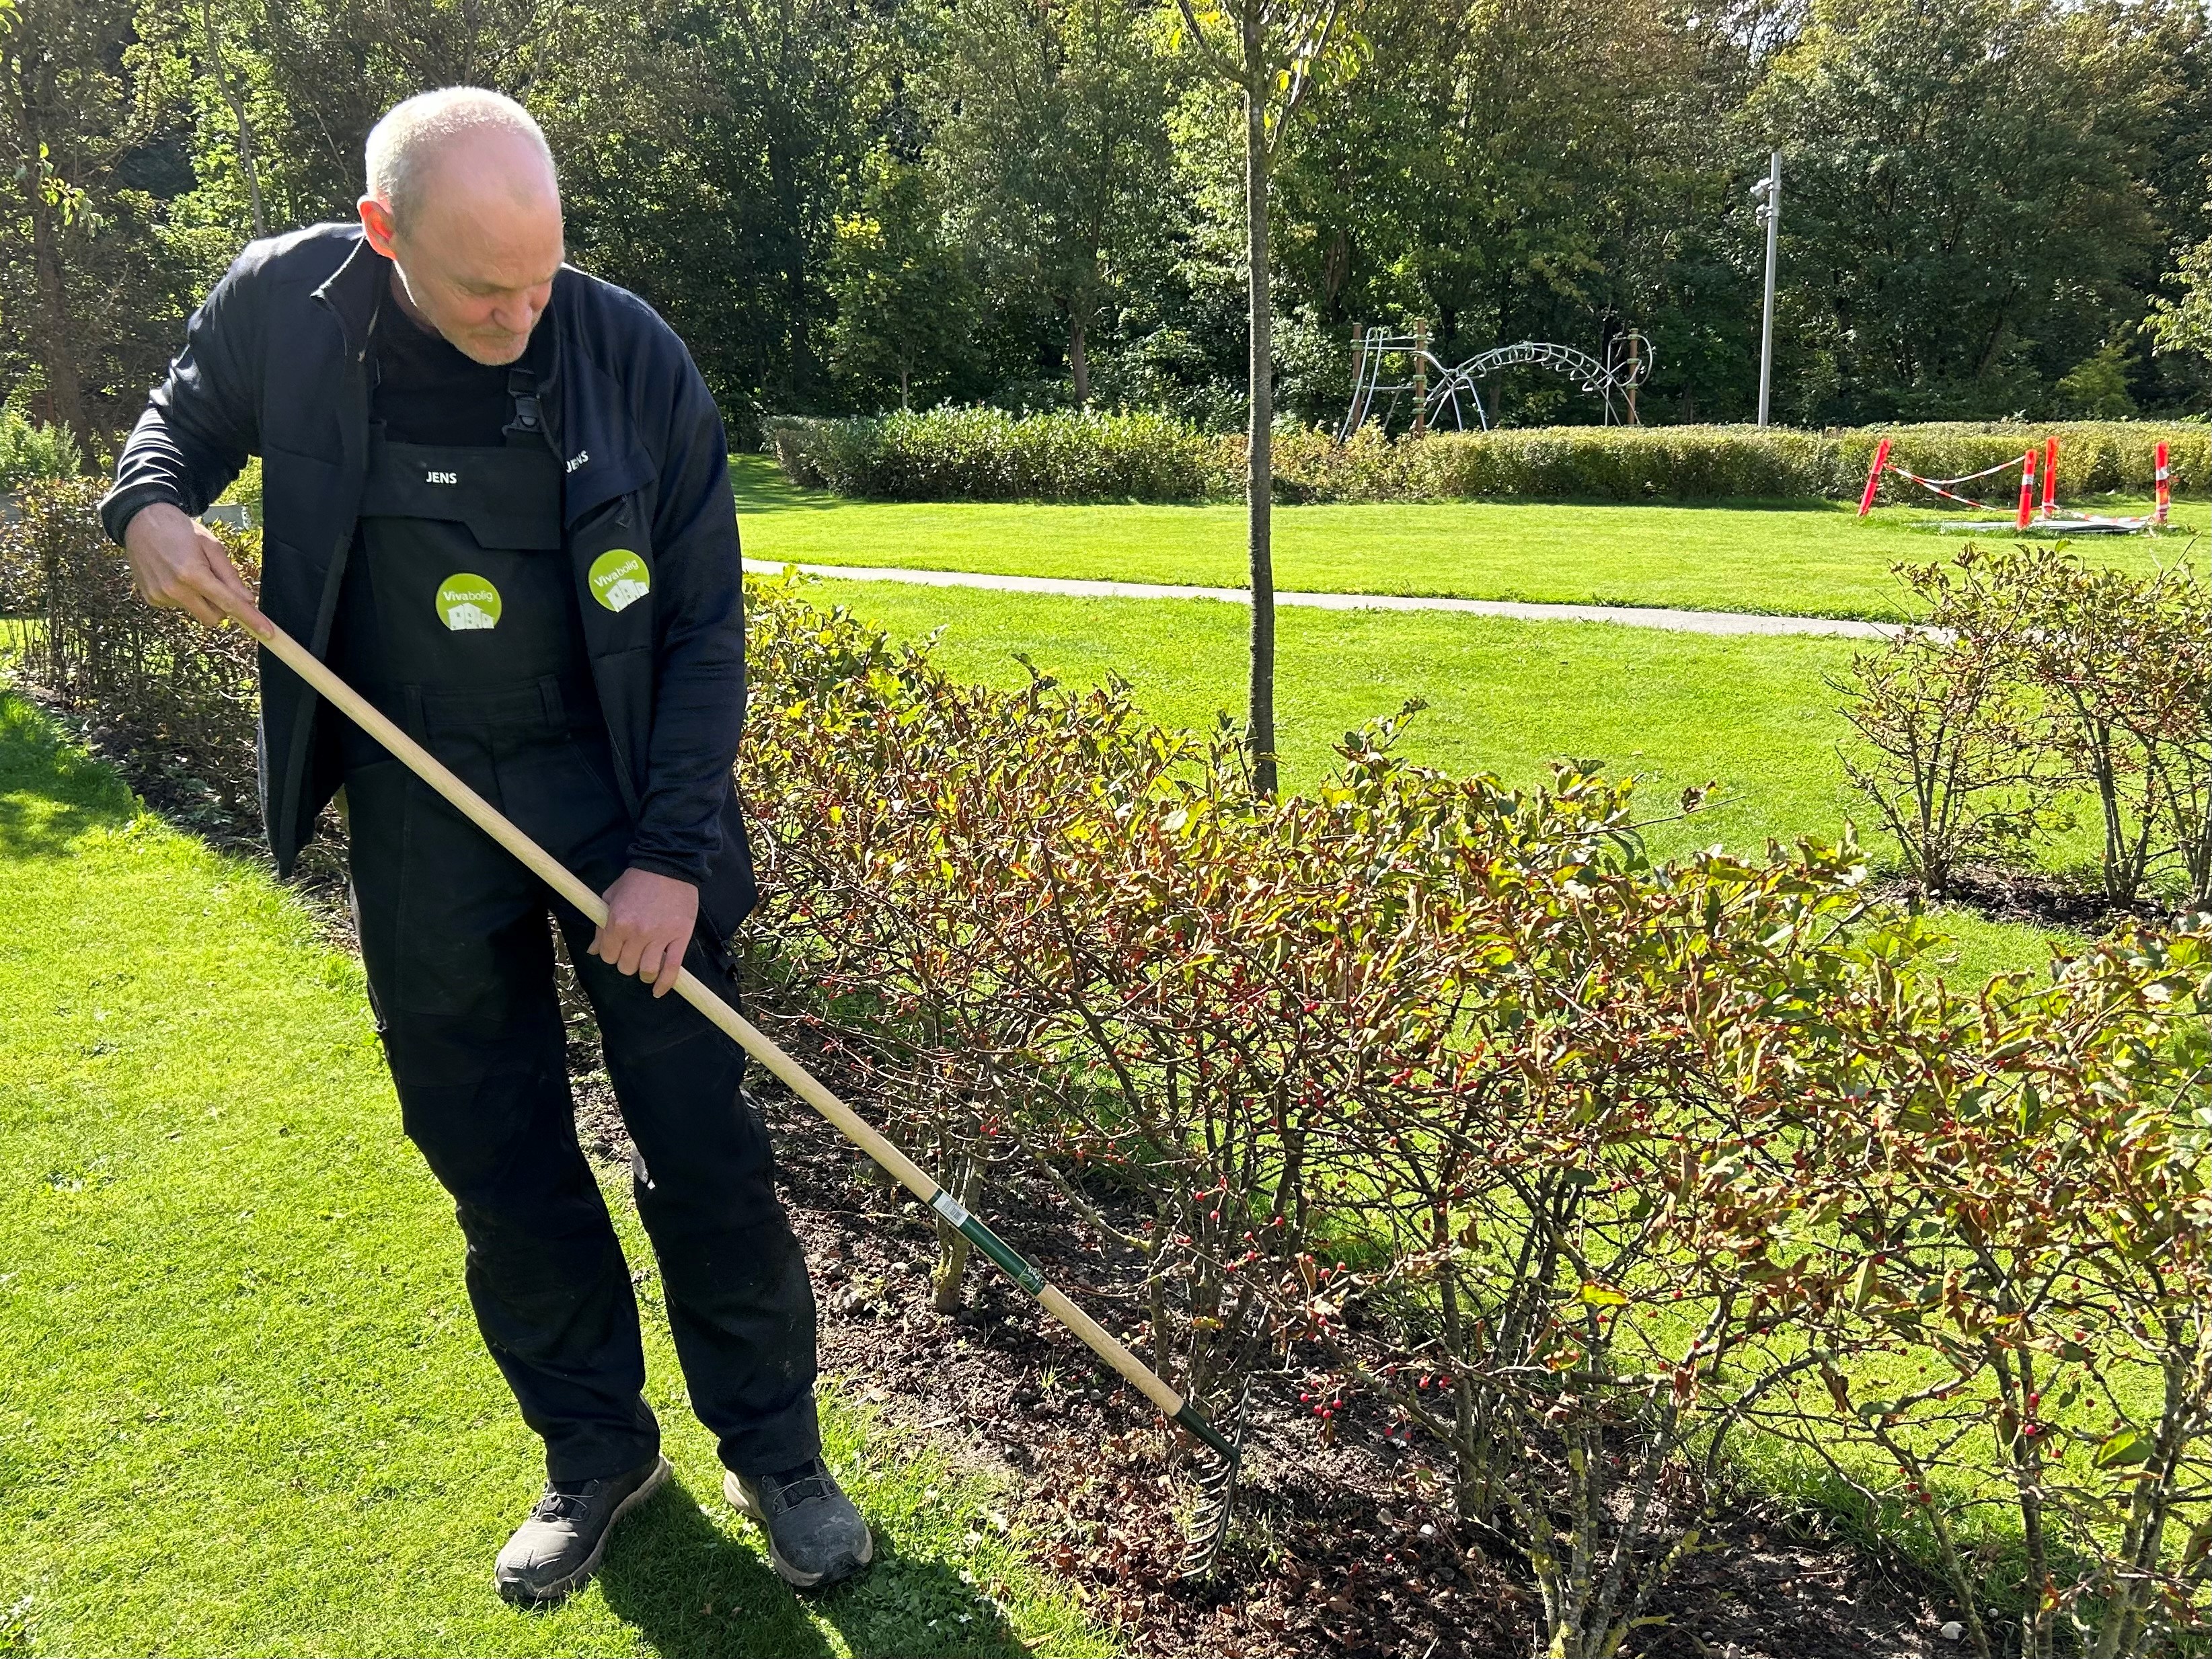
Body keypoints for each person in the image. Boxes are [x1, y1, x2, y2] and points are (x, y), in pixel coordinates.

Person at [100, 87, 872, 1603]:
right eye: (483, 287)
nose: (527, 310)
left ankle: (776, 1447)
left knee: (700, 1136)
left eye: (544, 273)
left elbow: (707, 627)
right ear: (383, 236)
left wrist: (666, 853)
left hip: (617, 798)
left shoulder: (629, 351)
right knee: (492, 1140)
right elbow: (174, 424)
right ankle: (596, 1450)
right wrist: (147, 510)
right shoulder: (284, 305)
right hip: (418, 793)